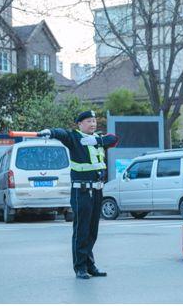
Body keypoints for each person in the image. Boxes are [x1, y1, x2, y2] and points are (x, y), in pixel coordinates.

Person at [38, 110, 119, 279]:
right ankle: (80, 267)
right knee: (81, 231)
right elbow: (62, 133)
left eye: (94, 121)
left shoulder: (98, 139)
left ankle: (90, 265)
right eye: (89, 121)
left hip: (97, 190)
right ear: (80, 124)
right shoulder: (74, 138)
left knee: (92, 231)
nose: (93, 124)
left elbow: (115, 138)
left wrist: (97, 139)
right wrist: (50, 132)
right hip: (81, 191)